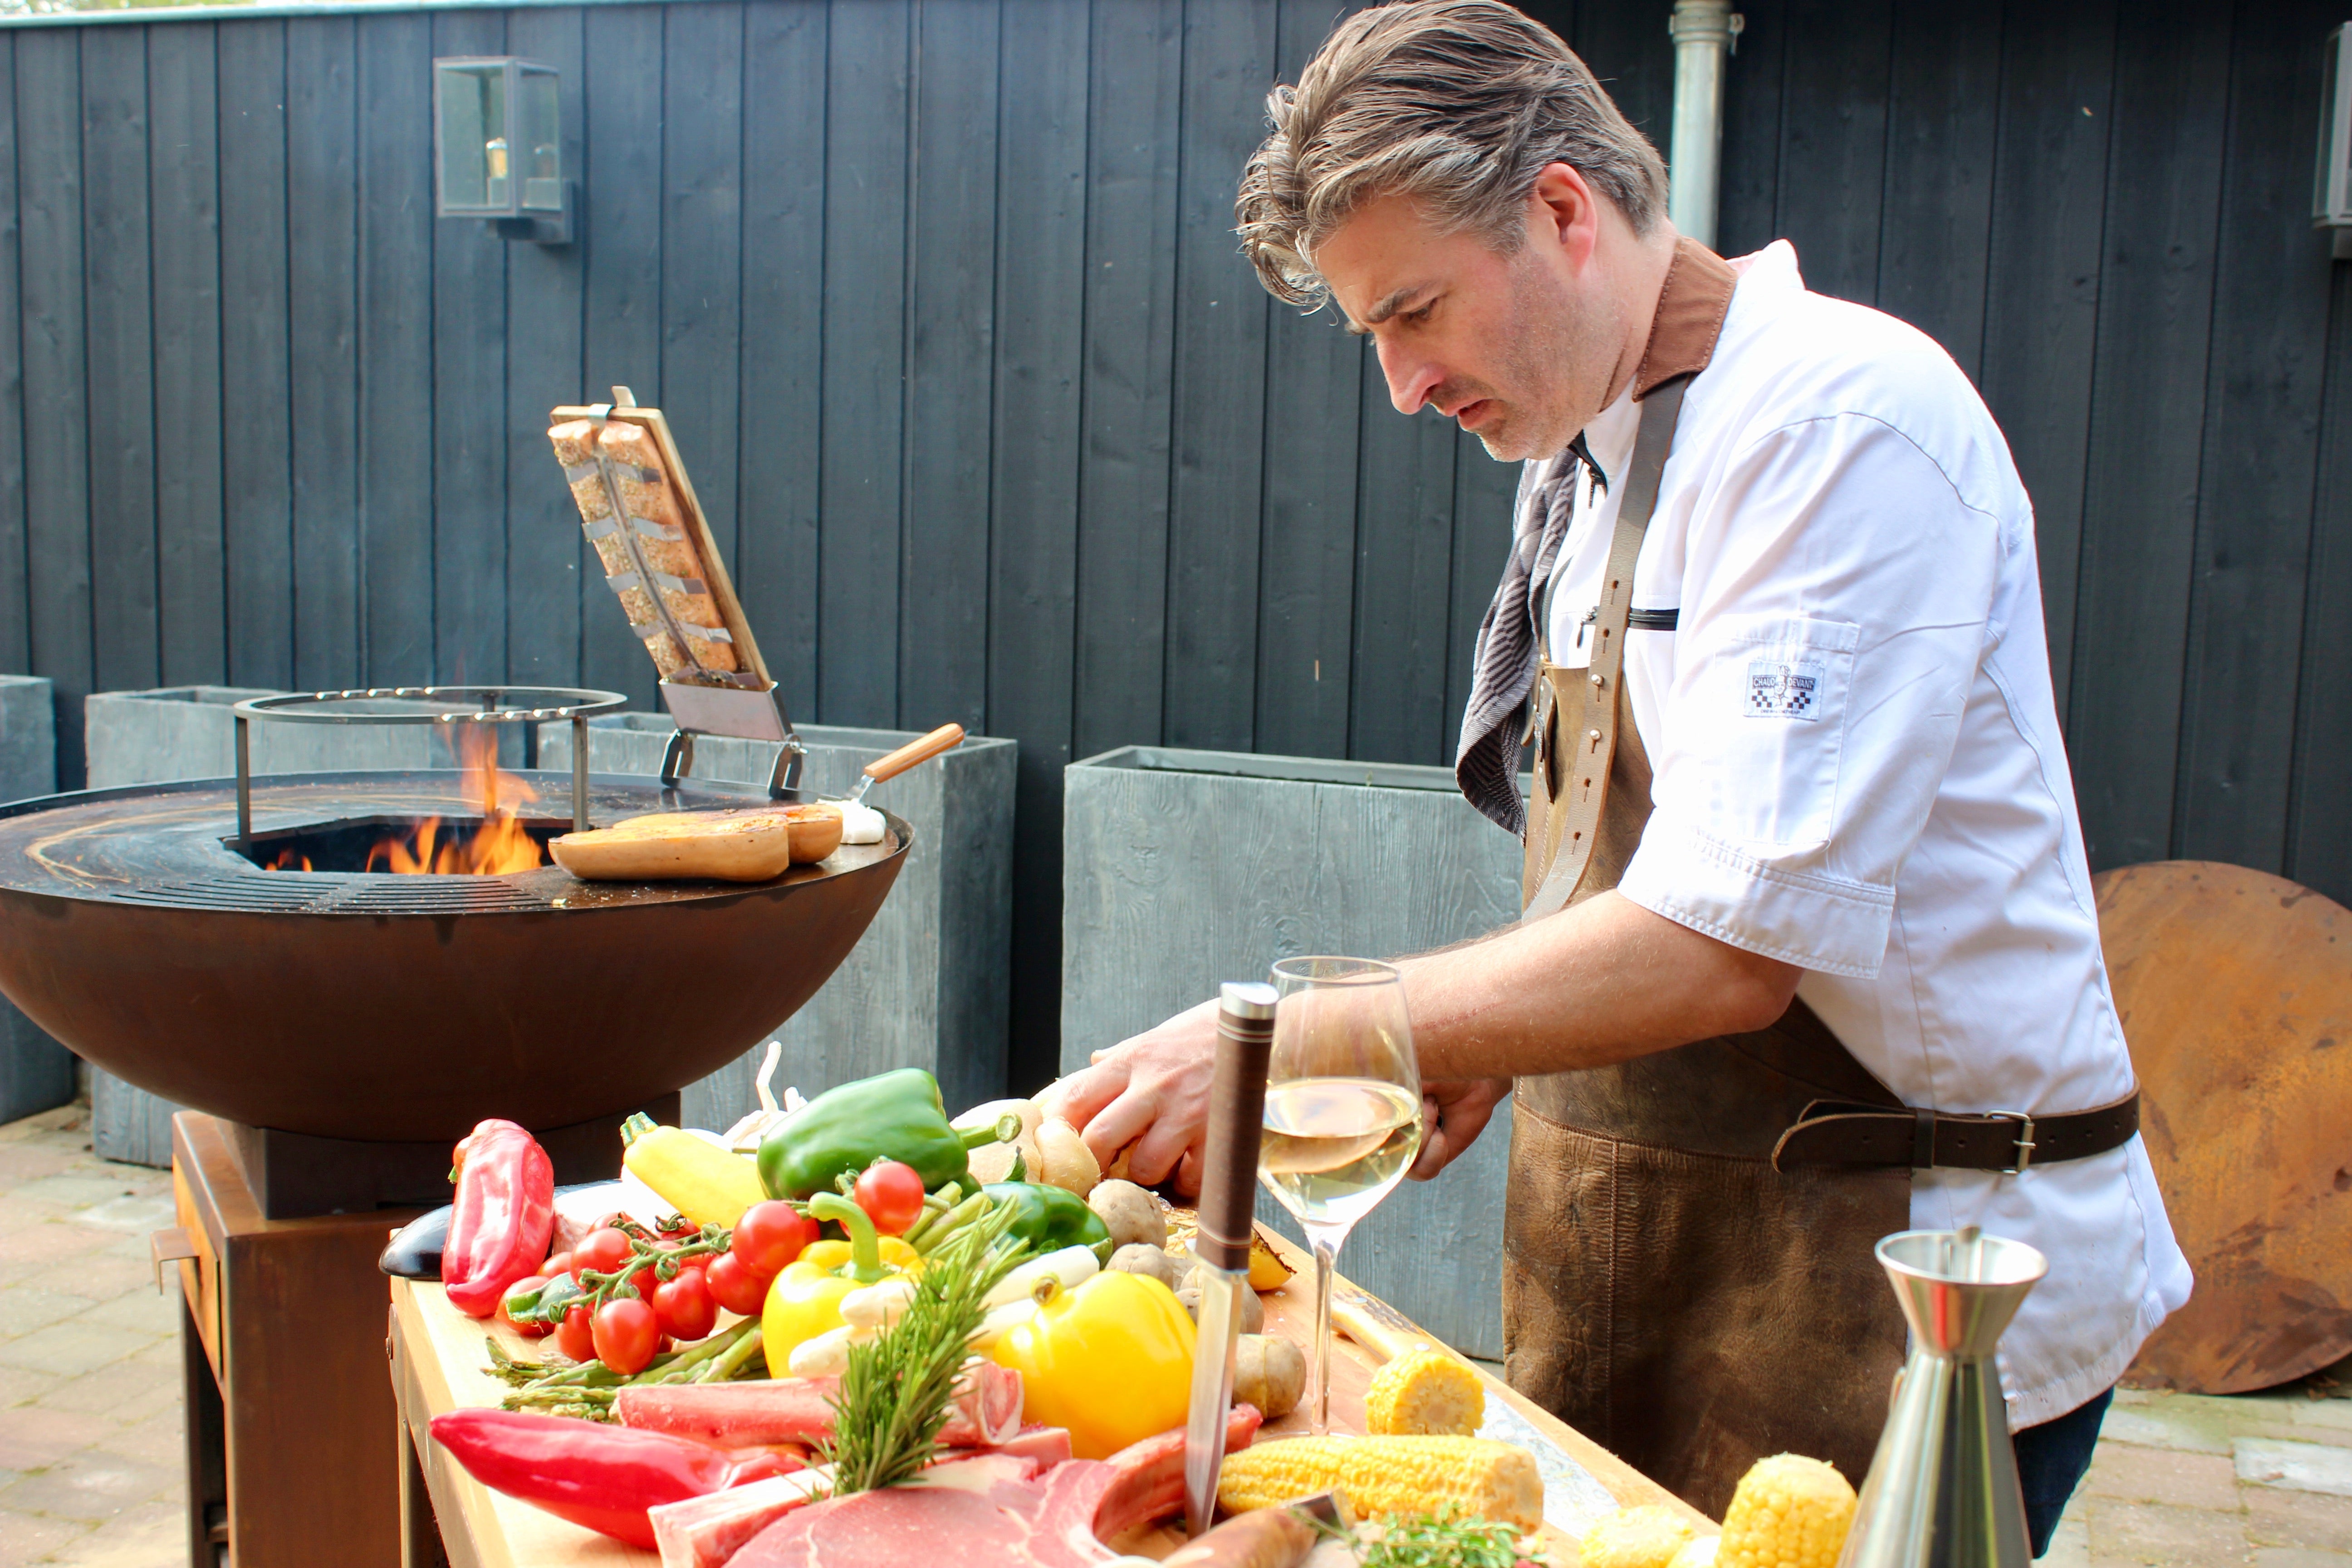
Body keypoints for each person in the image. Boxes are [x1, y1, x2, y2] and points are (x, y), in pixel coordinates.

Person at [1040, 0, 2190, 1549]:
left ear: (1564, 211)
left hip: (1915, 1279)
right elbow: (1639, 859)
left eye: (1416, 311)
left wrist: (1285, 1039)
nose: (1399, 384)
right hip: (1669, 1261)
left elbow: (1729, 944)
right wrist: (1487, 1039)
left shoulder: (1841, 427)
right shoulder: (1597, 465)